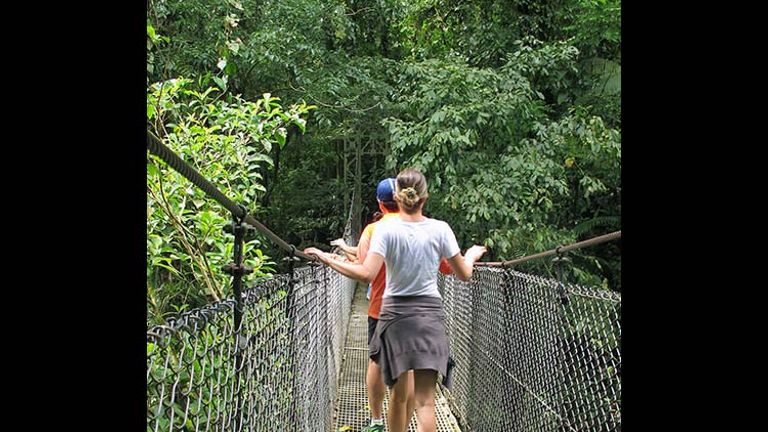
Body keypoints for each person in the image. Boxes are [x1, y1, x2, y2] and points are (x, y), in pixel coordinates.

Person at [305, 168, 486, 432]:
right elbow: (463, 274)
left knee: (399, 397)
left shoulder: (384, 230)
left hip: (394, 318)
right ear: (425, 198)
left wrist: (327, 258)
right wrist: (471, 254)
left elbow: (366, 273)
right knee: (425, 402)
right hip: (429, 317)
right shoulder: (440, 229)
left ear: (396, 199)